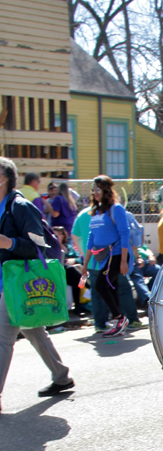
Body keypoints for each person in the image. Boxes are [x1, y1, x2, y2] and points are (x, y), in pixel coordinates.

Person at [0, 157, 74, 412]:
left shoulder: (20, 206)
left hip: (17, 285)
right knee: (33, 331)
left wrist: (9, 243)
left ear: (3, 178)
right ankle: (61, 376)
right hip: (6, 283)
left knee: (2, 338)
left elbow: (39, 246)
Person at [80, 175, 133, 337]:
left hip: (117, 256)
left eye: (98, 189)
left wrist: (123, 261)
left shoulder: (116, 209)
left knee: (101, 286)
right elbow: (91, 239)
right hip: (106, 258)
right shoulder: (97, 211)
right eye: (93, 190)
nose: (95, 192)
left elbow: (125, 234)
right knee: (111, 288)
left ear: (106, 190)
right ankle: (119, 324)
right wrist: (85, 263)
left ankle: (119, 318)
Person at [54, 226, 87, 317]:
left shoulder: (68, 248)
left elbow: (80, 259)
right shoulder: (52, 249)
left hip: (71, 275)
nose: (54, 238)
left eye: (57, 236)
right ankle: (88, 286)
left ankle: (78, 307)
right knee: (71, 270)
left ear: (63, 236)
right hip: (59, 273)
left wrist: (74, 261)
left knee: (74, 278)